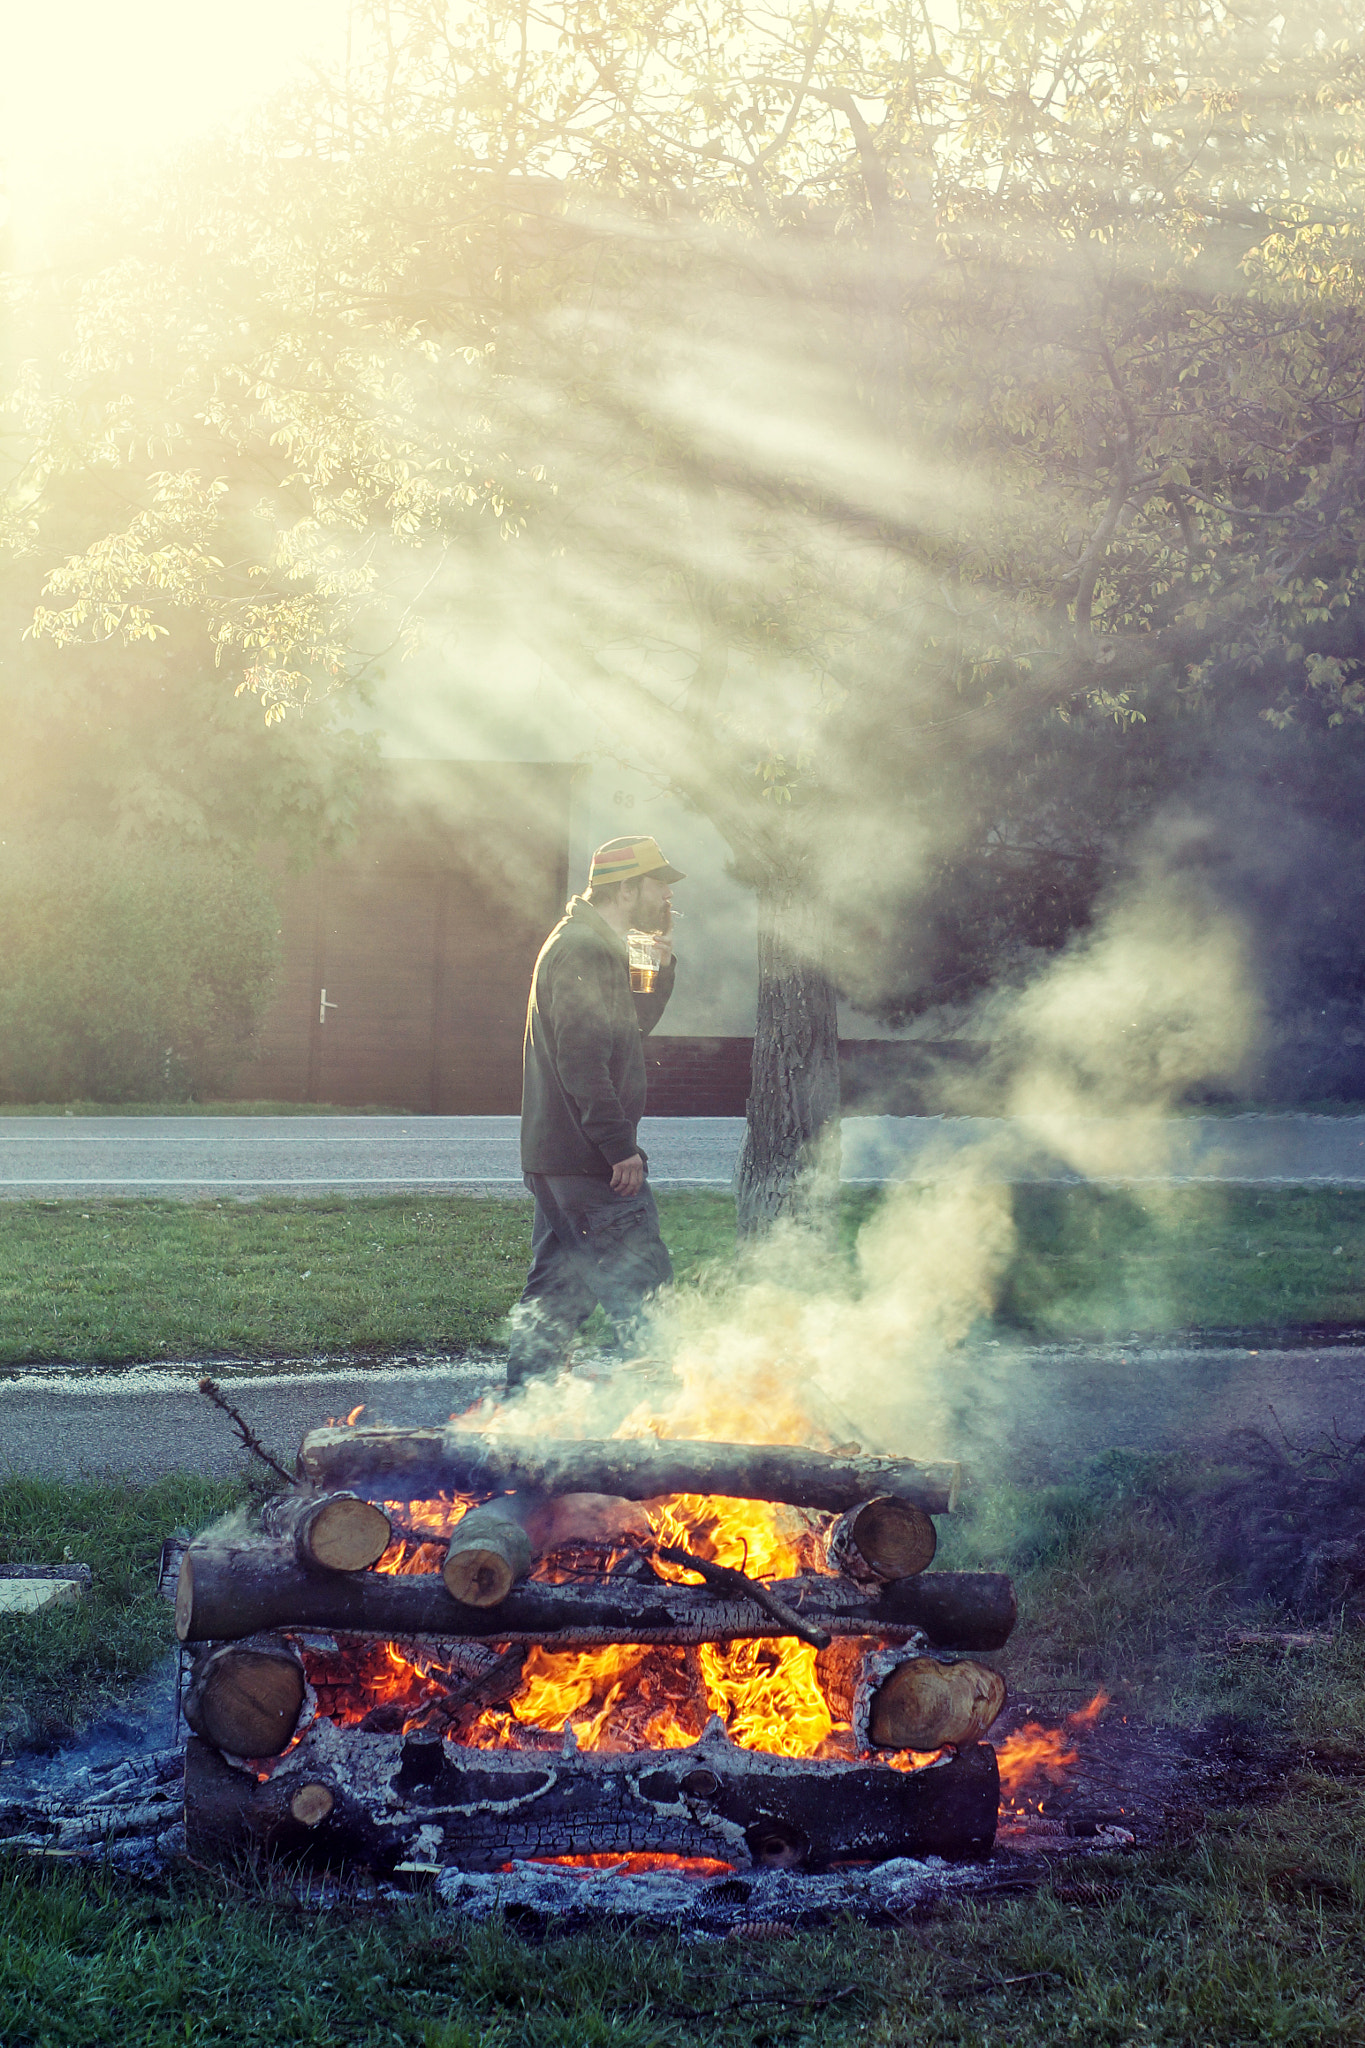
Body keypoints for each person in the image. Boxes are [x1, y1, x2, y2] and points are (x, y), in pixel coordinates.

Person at [506, 834, 684, 1388]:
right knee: (645, 1293)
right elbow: (582, 1060)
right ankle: (666, 1434)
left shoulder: (594, 944)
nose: (667, 897)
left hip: (562, 1159)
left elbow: (626, 1032)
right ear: (628, 888)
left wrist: (656, 962)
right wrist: (618, 1147)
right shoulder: (581, 948)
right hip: (589, 1163)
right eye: (658, 884)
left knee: (558, 1296)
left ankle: (520, 1426)